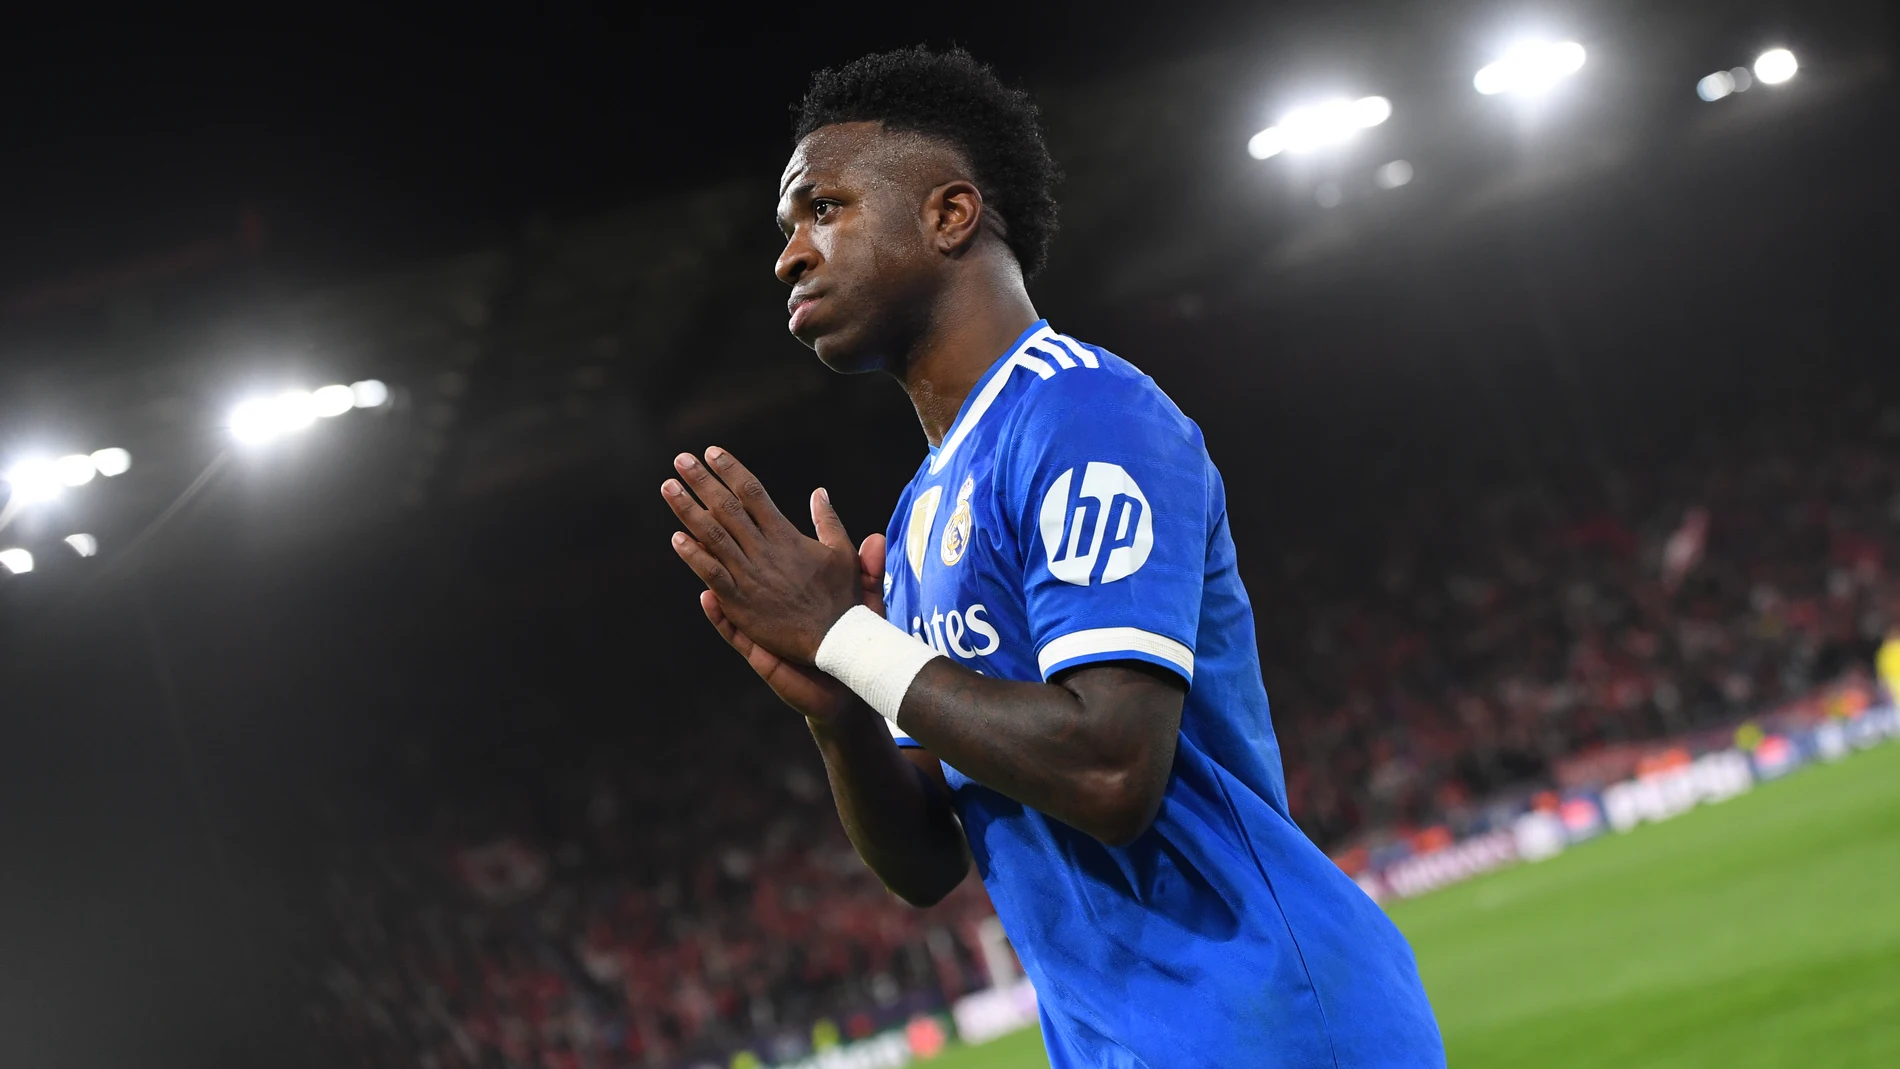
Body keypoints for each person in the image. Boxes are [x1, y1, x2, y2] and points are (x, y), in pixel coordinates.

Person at [660, 46, 1444, 1068]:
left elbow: (1112, 766)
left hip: (1262, 1023)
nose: (789, 255)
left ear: (950, 215)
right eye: (787, 228)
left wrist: (844, 632)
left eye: (823, 210)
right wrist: (840, 706)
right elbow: (927, 858)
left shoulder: (1083, 412)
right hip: (1119, 1041)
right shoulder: (925, 506)